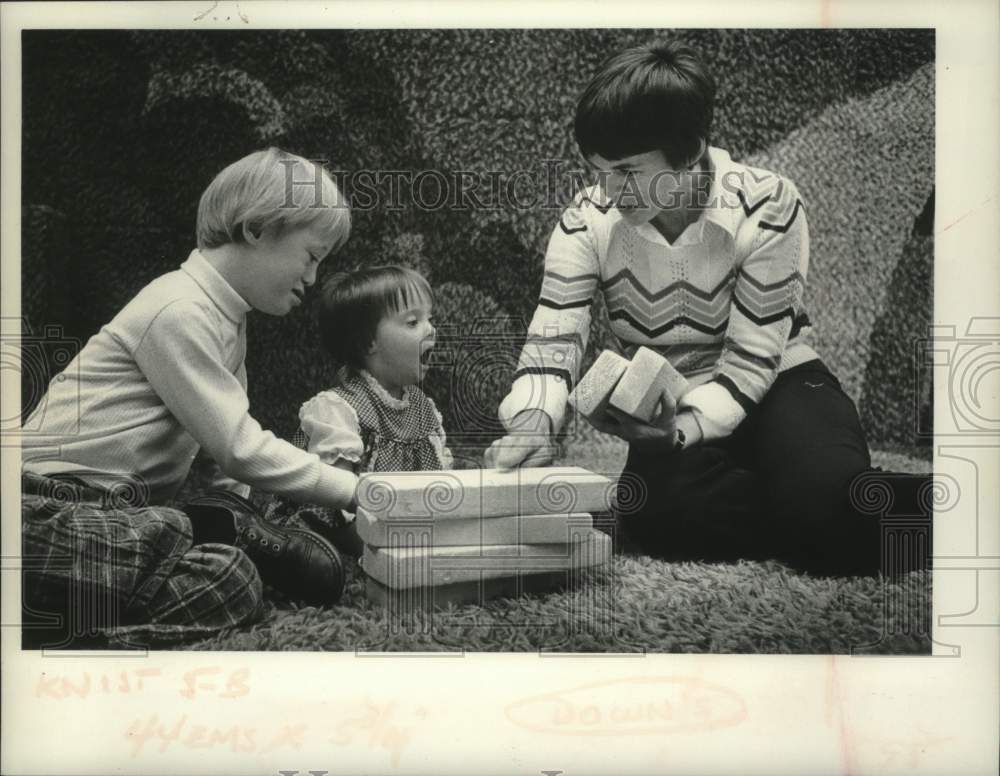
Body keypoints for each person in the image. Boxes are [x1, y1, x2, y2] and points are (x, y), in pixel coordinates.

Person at [485, 41, 931, 577]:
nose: (609, 190)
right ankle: (810, 501)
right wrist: (534, 421)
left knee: (828, 516)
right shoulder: (585, 220)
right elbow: (554, 337)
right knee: (664, 522)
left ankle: (858, 499)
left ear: (692, 150)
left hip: (781, 383)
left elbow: (751, 362)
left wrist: (680, 436)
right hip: (670, 405)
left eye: (628, 171)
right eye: (597, 170)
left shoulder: (770, 203)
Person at [21, 147, 359, 648]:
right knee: (170, 528)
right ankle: (170, 540)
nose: (313, 278)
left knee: (232, 577)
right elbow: (239, 448)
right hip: (42, 506)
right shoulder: (178, 308)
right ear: (257, 229)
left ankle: (72, 631)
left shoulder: (228, 322)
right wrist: (354, 490)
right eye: (312, 257)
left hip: (121, 529)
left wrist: (240, 514)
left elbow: (224, 467)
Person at [264, 265, 452, 557]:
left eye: (431, 318)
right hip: (332, 533)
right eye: (413, 322)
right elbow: (334, 504)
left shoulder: (423, 409)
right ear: (369, 342)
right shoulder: (339, 409)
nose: (431, 328)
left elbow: (438, 482)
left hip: (393, 526)